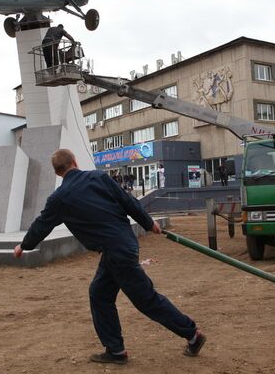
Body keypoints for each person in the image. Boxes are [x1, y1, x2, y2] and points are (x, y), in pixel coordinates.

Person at [14, 149, 206, 363]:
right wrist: (148, 222)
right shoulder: (99, 177)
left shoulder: (59, 198)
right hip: (122, 245)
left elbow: (42, 225)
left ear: (58, 173)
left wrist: (24, 245)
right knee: (99, 294)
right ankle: (116, 350)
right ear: (75, 162)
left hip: (116, 252)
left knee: (146, 299)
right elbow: (128, 200)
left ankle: (192, 334)